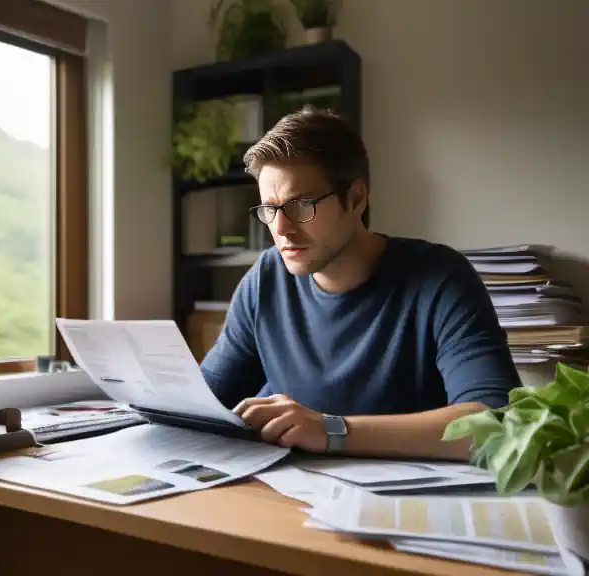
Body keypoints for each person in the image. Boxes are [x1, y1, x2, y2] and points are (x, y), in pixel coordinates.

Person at [199, 106, 521, 461]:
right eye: (269, 209)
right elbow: (204, 401)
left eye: (300, 205)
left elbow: (496, 422)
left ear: (356, 199)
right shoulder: (266, 279)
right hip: (294, 497)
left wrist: (332, 430)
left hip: (406, 504)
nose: (281, 229)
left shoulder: (441, 278)